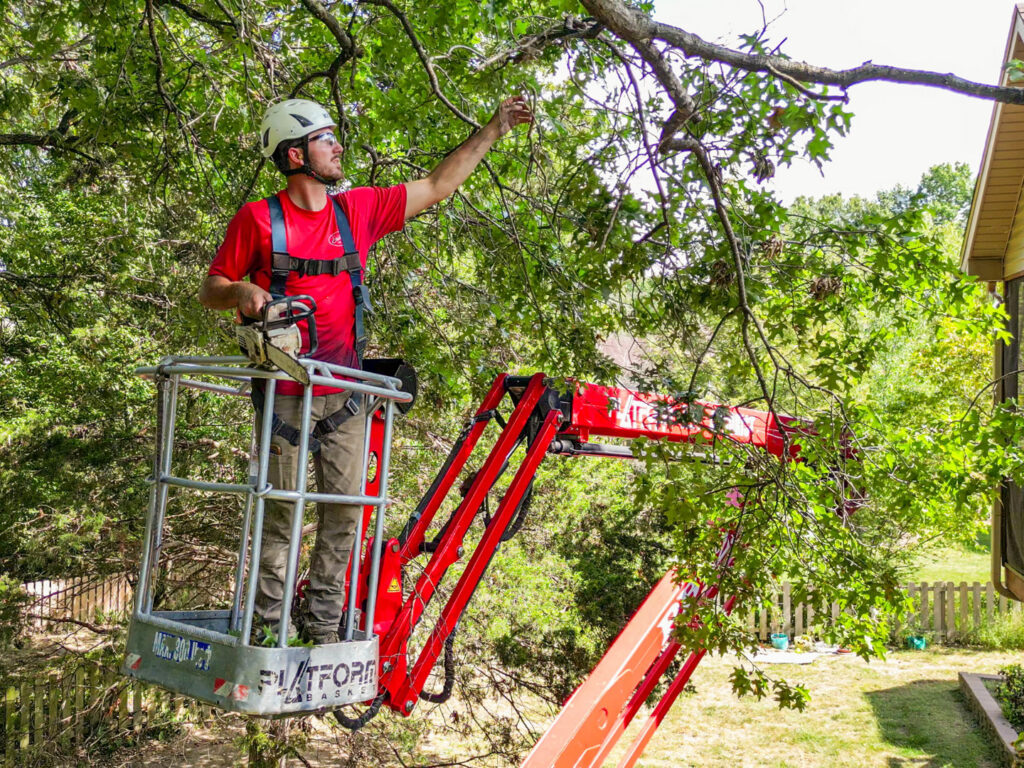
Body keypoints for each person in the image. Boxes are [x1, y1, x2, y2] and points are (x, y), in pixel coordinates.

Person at [198, 96, 532, 645]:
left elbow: (436, 186)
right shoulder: (259, 219)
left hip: (346, 395)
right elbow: (212, 287)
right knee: (281, 513)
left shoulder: (355, 211)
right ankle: (265, 628)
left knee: (345, 515)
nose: (338, 146)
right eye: (326, 139)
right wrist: (241, 288)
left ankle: (322, 628)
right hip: (284, 393)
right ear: (295, 153)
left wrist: (493, 129)